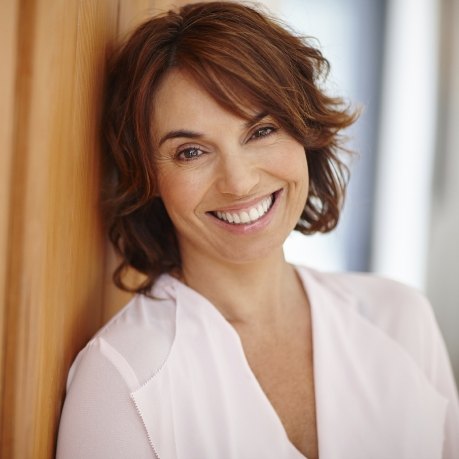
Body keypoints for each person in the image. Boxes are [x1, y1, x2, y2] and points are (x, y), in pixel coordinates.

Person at [56, 2, 459, 458]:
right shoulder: (121, 380)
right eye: (191, 152)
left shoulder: (401, 319)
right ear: (148, 178)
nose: (240, 182)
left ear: (304, 132)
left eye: (262, 130)